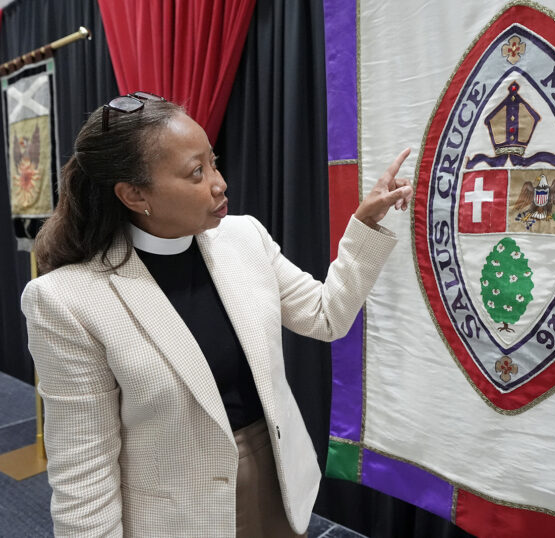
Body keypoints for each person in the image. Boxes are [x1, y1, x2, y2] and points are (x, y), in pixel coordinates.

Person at [21, 92, 412, 537]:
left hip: (280, 485)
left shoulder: (243, 238)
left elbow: (327, 316)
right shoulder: (66, 301)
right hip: (178, 518)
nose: (219, 182)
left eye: (213, 162)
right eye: (195, 172)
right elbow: (84, 476)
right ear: (134, 194)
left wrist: (365, 225)